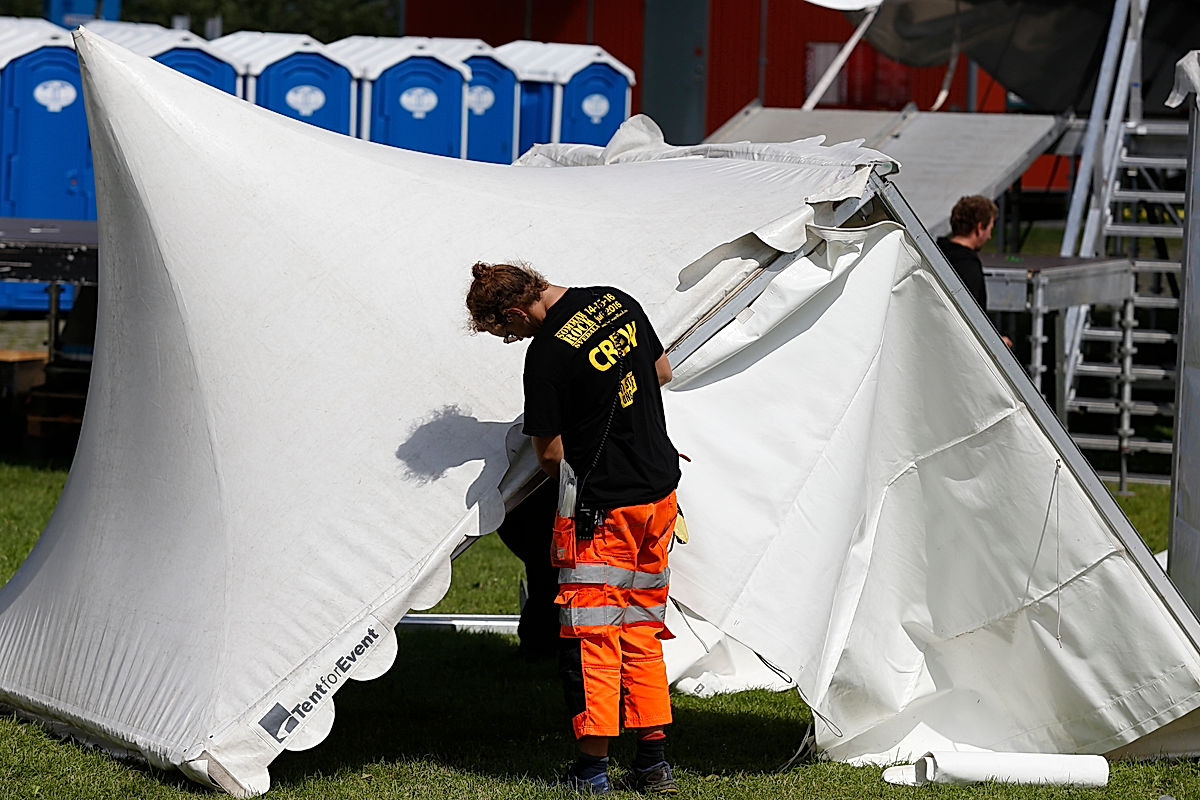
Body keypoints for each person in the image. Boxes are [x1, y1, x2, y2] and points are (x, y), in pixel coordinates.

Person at [467, 261, 681, 795]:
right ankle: (653, 763)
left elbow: (551, 453)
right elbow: (661, 372)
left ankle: (591, 771)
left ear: (517, 310)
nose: (512, 339)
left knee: (593, 639)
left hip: (603, 511)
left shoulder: (545, 357)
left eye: (506, 331)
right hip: (659, 495)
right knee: (641, 627)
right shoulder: (616, 297)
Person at [936, 194, 998, 310]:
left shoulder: (935, 253)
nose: (989, 236)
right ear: (979, 228)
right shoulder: (968, 266)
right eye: (990, 229)